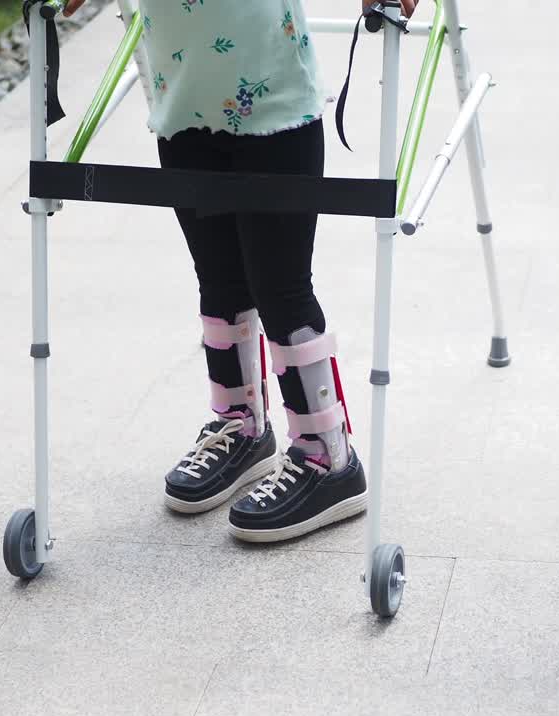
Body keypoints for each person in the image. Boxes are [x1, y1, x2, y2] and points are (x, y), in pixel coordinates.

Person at [62, 0, 416, 541]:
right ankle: (242, 426)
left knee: (281, 287)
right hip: (181, 99)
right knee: (220, 279)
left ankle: (329, 458)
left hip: (273, 103)